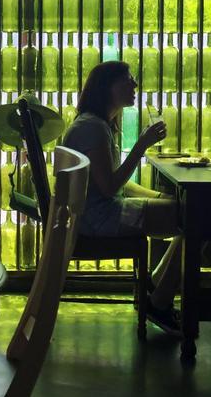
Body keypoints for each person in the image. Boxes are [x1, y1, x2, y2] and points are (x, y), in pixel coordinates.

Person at [62, 61, 185, 335]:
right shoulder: (93, 129)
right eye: (127, 80)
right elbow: (109, 188)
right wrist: (141, 145)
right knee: (192, 218)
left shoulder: (94, 124)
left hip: (95, 213)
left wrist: (159, 196)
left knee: (182, 210)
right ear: (108, 88)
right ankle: (159, 301)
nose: (134, 85)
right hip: (100, 218)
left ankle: (154, 286)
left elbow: (116, 184)